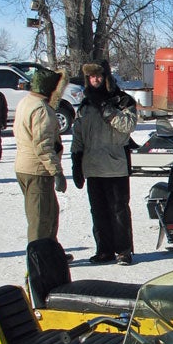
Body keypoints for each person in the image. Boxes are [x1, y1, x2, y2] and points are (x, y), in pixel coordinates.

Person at [70, 59, 138, 266]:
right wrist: (76, 160)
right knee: (98, 211)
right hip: (92, 167)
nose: (95, 80)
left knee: (119, 210)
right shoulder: (85, 104)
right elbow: (78, 134)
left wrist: (107, 110)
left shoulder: (123, 100)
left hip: (115, 165)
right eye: (91, 77)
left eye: (98, 76)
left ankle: (123, 250)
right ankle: (104, 249)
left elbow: (129, 125)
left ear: (106, 77)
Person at [13, 67, 68, 242]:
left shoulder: (26, 102)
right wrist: (56, 171)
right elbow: (43, 145)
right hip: (37, 170)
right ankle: (37, 260)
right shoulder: (41, 109)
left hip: (24, 167)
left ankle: (49, 252)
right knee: (40, 218)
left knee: (49, 213)